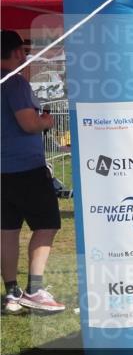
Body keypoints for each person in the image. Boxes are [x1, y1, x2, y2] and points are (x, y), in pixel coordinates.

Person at [1, 31, 65, 313]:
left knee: (7, 230)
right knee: (47, 224)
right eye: (24, 52)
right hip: (25, 168)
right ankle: (35, 289)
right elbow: (28, 123)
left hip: (3, 171)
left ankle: (11, 293)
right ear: (16, 53)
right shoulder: (14, 83)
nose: (26, 57)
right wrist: (46, 121)